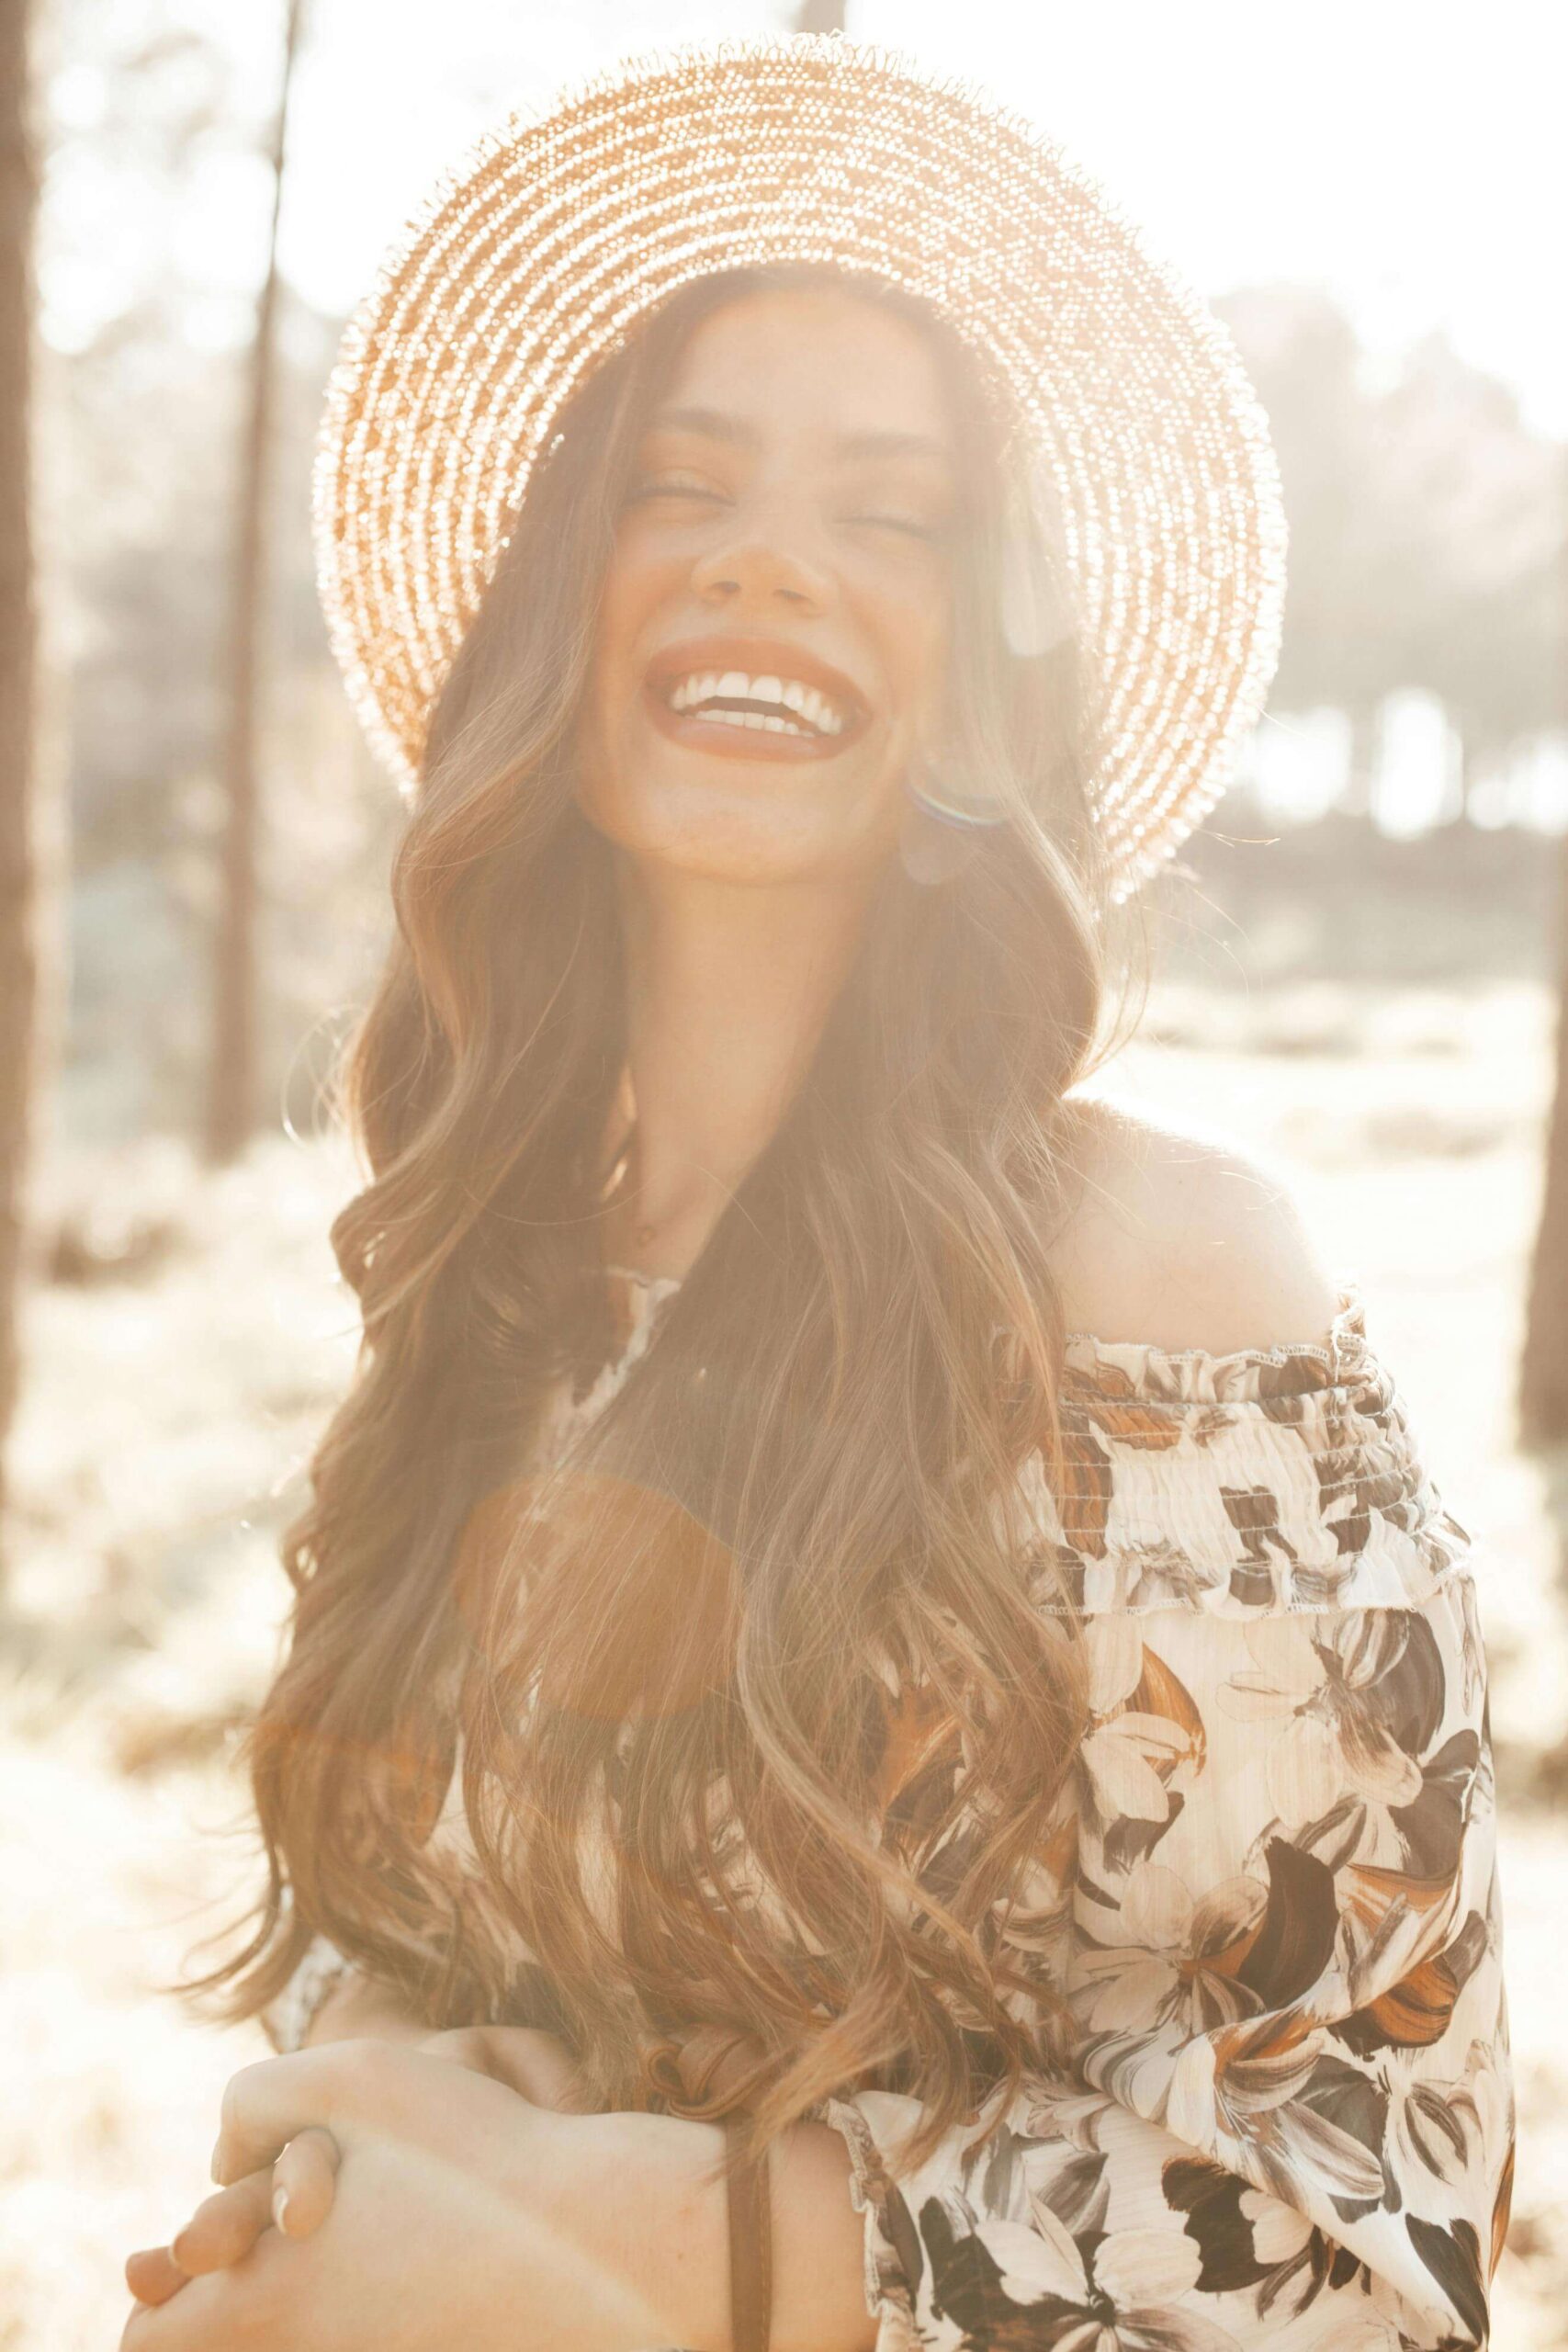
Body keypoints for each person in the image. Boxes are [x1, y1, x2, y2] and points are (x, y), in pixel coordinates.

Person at [119, 35, 1512, 2352]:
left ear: (983, 659)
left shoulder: (1163, 1284)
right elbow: (480, 1944)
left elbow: (1363, 2241)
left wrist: (623, 2244)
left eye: (891, 512)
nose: (767, 554)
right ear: (569, 593)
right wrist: (378, 2099)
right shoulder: (500, 1266)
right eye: (683, 481)